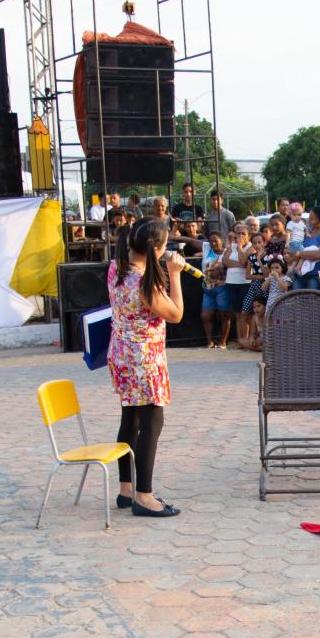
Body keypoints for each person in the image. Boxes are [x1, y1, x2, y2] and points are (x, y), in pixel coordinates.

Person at [107, 218, 186, 517]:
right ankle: (144, 496)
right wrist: (175, 275)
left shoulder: (117, 269)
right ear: (155, 249)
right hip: (143, 359)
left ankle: (126, 490)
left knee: (130, 418)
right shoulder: (143, 282)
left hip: (121, 354)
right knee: (152, 422)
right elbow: (176, 314)